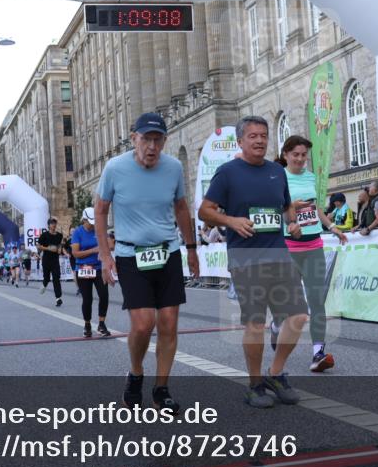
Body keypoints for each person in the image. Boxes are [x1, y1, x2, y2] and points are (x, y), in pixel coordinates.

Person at [199, 116, 309, 409]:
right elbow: (204, 211)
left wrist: (293, 223)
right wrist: (231, 220)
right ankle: (254, 384)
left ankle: (275, 374)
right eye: (253, 136)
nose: (259, 140)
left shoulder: (277, 171)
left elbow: (285, 205)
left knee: (298, 317)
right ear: (240, 141)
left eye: (263, 135)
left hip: (279, 255)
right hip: (246, 259)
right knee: (256, 325)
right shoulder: (227, 173)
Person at [95, 112, 199, 412]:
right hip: (130, 254)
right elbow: (100, 209)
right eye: (146, 139)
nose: (152, 147)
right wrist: (105, 255)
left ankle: (161, 388)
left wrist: (191, 249)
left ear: (164, 141)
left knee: (168, 323)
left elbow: (181, 207)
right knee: (143, 324)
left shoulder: (173, 168)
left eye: (158, 140)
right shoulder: (115, 168)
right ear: (134, 139)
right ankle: (136, 373)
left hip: (168, 252)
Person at [276, 135, 348, 373]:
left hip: (314, 245)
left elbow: (316, 208)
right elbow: (274, 211)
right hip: (289, 247)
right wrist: (291, 207)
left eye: (303, 155)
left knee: (317, 302)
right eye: (295, 154)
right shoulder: (278, 178)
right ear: (285, 154)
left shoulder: (311, 178)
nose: (299, 159)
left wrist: (333, 227)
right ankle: (277, 327)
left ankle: (318, 352)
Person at [72, 207, 111, 338]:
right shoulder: (77, 232)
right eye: (90, 222)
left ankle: (101, 324)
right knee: (87, 299)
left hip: (98, 268)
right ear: (84, 219)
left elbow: (107, 246)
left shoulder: (98, 230)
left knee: (104, 295)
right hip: (83, 268)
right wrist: (93, 250)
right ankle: (87, 325)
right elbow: (75, 253)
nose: (92, 224)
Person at [38, 218, 65, 307]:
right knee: (47, 278)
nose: (53, 225)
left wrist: (60, 248)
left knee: (56, 278)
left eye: (54, 223)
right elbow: (38, 246)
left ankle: (58, 298)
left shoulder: (59, 235)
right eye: (52, 223)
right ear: (49, 225)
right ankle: (44, 284)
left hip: (55, 260)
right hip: (46, 259)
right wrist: (48, 248)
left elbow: (60, 244)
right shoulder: (44, 235)